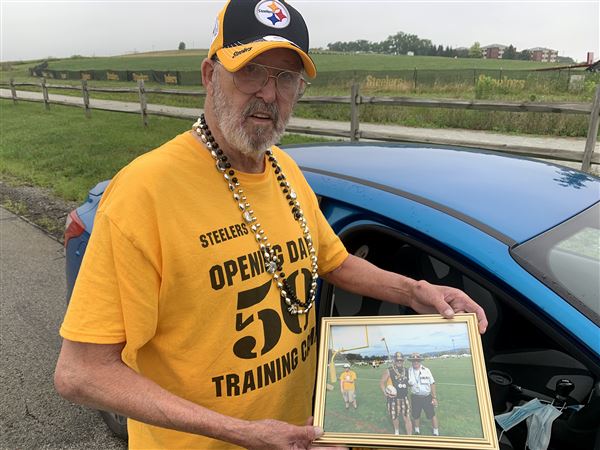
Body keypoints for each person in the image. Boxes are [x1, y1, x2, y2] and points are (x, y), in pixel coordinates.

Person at [53, 1, 487, 448]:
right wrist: (243, 433)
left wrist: (415, 291)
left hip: (295, 437)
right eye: (251, 71)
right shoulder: (144, 193)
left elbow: (332, 262)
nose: (268, 93)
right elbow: (81, 372)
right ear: (209, 75)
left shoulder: (284, 169)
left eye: (286, 78)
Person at [380, 352, 412, 436]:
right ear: (394, 360)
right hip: (393, 399)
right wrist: (385, 393)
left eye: (401, 360)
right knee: (395, 417)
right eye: (397, 360)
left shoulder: (407, 370)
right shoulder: (389, 370)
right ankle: (397, 431)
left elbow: (409, 383)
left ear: (403, 360)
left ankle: (410, 437)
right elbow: (382, 383)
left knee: (407, 417)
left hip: (404, 398)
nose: (399, 362)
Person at [407, 353, 439, 436]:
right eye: (413, 361)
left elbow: (432, 383)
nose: (415, 362)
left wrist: (434, 397)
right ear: (411, 361)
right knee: (415, 415)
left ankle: (436, 431)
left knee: (432, 414)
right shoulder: (408, 371)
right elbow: (406, 384)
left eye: (417, 360)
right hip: (415, 397)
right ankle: (417, 430)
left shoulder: (426, 370)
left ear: (420, 361)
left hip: (427, 397)